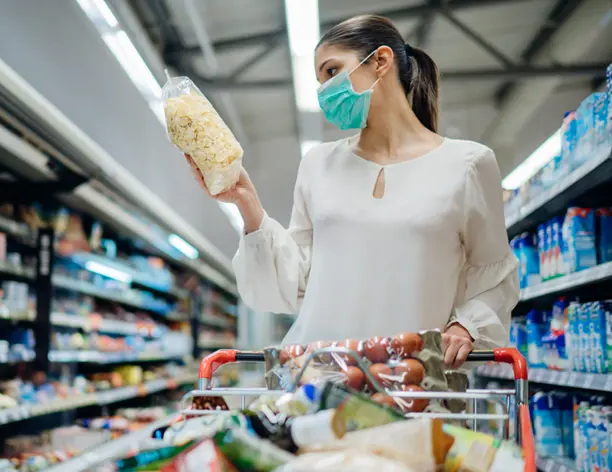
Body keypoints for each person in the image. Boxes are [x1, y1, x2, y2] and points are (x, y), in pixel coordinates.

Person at [185, 15, 519, 367]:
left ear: (380, 61)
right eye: (319, 80)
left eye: (331, 72)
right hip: (319, 379)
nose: (324, 91)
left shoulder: (468, 164)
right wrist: (247, 205)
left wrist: (466, 326)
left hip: (413, 383)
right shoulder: (318, 164)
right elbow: (295, 282)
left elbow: (495, 275)